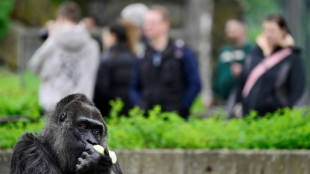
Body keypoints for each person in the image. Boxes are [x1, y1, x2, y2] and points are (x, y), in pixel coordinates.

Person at [130, 5, 201, 120]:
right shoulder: (142, 56)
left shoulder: (181, 53)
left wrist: (181, 109)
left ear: (165, 25)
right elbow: (133, 87)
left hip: (175, 121)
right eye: (146, 23)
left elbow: (195, 84)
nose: (148, 26)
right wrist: (140, 107)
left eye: (152, 22)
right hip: (148, 121)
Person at [229, 14, 306, 118]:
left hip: (276, 121)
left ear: (283, 31)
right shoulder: (254, 54)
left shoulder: (292, 59)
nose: (268, 34)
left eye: (272, 30)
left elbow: (298, 93)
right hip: (248, 118)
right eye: (265, 30)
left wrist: (294, 119)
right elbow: (241, 85)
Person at [28, 2, 100, 112]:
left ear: (60, 18)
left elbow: (34, 67)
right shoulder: (93, 46)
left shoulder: (53, 42)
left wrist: (51, 38)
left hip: (53, 105)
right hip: (81, 107)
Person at [94, 19, 138, 117]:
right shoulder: (133, 57)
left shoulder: (107, 60)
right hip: (130, 112)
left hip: (111, 111)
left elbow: (101, 92)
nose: (104, 39)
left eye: (105, 35)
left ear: (113, 36)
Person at [212, 18, 252, 103]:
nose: (228, 31)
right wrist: (212, 95)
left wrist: (243, 72)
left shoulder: (251, 51)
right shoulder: (224, 50)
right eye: (227, 28)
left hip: (242, 100)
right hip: (222, 100)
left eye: (232, 28)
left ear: (243, 30)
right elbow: (216, 74)